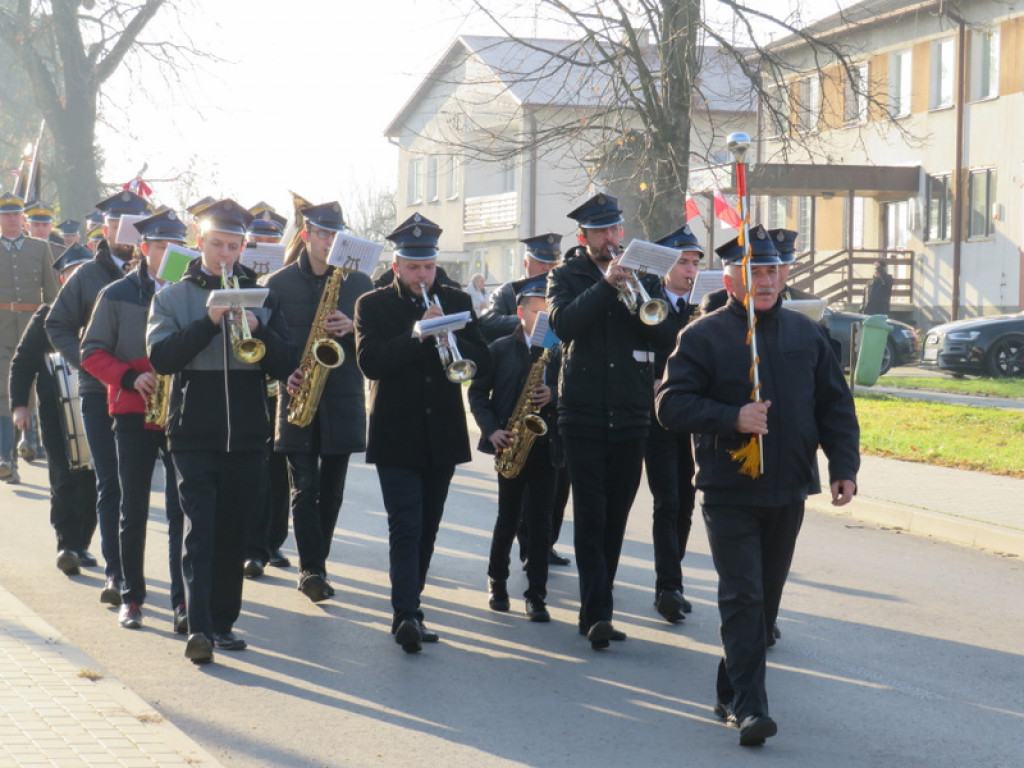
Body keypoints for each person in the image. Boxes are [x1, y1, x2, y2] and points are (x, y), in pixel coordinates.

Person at [655, 224, 859, 746]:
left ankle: (729, 687)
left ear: (784, 274)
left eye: (772, 270)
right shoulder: (702, 335)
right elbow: (670, 405)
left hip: (789, 486)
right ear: (730, 276)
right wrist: (732, 417)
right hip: (729, 489)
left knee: (764, 604)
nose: (765, 280)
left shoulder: (805, 332)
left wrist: (843, 466)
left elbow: (835, 404)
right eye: (753, 270)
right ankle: (751, 709)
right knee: (742, 597)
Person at [147, 199, 293, 664]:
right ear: (199, 242)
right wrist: (209, 322)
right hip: (193, 429)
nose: (225, 254)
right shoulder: (173, 296)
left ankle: (224, 624)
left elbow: (287, 361)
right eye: (216, 245)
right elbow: (162, 358)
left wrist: (258, 329)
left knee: (233, 532)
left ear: (243, 247)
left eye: (233, 246)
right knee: (198, 531)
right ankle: (199, 626)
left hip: (249, 431)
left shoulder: (264, 296)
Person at [354, 212, 490, 653]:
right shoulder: (373, 305)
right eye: (413, 268)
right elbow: (370, 362)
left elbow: (480, 358)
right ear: (397, 266)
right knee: (406, 526)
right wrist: (418, 334)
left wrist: (449, 330)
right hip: (396, 432)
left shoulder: (456, 299)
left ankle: (413, 603)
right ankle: (405, 614)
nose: (422, 275)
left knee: (428, 526)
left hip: (444, 433)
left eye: (428, 267)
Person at [547, 193, 676, 650]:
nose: (611, 238)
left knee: (617, 517)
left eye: (615, 230)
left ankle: (598, 608)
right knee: (591, 514)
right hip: (580, 412)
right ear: (584, 238)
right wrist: (605, 286)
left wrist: (634, 295)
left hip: (632, 411)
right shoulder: (566, 275)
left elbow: (665, 334)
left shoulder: (645, 275)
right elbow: (563, 324)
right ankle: (597, 613)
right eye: (601, 232)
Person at [80, 209, 187, 633]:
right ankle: (132, 596)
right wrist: (130, 376)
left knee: (182, 511)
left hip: (181, 410)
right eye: (160, 245)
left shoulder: (189, 291)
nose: (167, 253)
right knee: (133, 508)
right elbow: (90, 352)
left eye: (175, 246)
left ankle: (183, 602)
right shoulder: (117, 292)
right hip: (132, 408)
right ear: (144, 249)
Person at [46, 189, 151, 604]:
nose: (124, 231)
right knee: (111, 481)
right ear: (102, 229)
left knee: (142, 486)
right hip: (99, 390)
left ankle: (166, 581)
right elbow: (57, 326)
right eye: (115, 223)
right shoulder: (87, 275)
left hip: (152, 393)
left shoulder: (159, 270)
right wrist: (88, 361)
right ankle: (117, 573)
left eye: (134, 224)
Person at [267, 201, 372, 603]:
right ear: (307, 235)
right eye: (324, 234)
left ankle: (317, 561)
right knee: (303, 485)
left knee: (332, 490)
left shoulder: (360, 284)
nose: (330, 242)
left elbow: (374, 343)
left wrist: (354, 328)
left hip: (342, 395)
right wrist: (283, 372)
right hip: (297, 394)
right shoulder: (277, 284)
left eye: (336, 235)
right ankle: (311, 569)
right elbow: (268, 343)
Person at [468, 276, 559, 621]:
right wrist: (492, 431)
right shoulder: (500, 348)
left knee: (540, 524)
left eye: (550, 311)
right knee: (507, 519)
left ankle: (537, 595)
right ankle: (497, 581)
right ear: (521, 312)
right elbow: (477, 394)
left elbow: (575, 394)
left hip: (546, 446)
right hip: (510, 444)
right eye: (539, 312)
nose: (546, 319)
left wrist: (555, 395)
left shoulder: (558, 349)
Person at [9, 244, 97, 574]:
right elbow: (22, 363)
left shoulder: (106, 312)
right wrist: (20, 406)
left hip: (99, 412)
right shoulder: (47, 316)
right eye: (74, 276)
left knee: (92, 481)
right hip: (56, 414)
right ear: (62, 280)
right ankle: (67, 545)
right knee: (63, 478)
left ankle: (82, 543)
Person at [644, 224, 702, 624]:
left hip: (696, 414)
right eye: (683, 261)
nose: (690, 269)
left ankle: (673, 578)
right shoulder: (645, 302)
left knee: (687, 499)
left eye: (696, 262)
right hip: (656, 414)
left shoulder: (707, 306)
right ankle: (668, 586)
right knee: (667, 500)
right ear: (666, 265)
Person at [1, 192, 61, 485]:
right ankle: (6, 457)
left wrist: (55, 329)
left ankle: (28, 439)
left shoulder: (40, 249)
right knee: (3, 388)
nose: (11, 219)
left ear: (22, 218)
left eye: (15, 215)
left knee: (31, 385)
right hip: (0, 327)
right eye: (5, 215)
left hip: (32, 326)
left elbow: (51, 295)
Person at [479, 233, 562, 342]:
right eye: (541, 263)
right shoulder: (506, 292)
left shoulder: (564, 291)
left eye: (552, 264)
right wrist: (528, 319)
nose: (546, 268)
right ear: (526, 263)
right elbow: (488, 323)